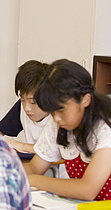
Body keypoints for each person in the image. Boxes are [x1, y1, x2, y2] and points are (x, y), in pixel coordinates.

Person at [24, 59, 111, 201]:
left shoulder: (106, 127)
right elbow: (34, 168)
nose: (56, 118)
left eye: (61, 110)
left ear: (85, 100)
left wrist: (33, 180)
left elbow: (87, 190)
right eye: (52, 112)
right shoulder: (59, 123)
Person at [0, 60, 51, 155]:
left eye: (33, 101)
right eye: (22, 99)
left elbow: (57, 150)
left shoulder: (61, 116)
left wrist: (21, 146)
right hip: (35, 166)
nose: (27, 108)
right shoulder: (22, 107)